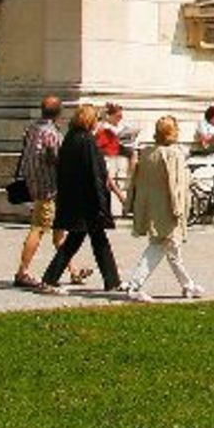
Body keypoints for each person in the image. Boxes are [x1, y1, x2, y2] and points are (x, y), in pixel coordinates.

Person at [38, 103, 122, 294]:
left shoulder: (71, 138)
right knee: (92, 241)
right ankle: (111, 281)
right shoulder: (87, 142)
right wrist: (101, 201)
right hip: (87, 200)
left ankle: (112, 280)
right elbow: (95, 173)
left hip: (74, 197)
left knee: (83, 240)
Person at [14, 95, 93, 289]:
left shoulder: (31, 128)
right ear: (59, 113)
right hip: (48, 187)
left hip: (35, 184)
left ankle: (72, 271)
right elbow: (57, 160)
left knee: (59, 233)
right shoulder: (51, 133)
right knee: (38, 228)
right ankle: (22, 272)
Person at [122, 116, 202, 302]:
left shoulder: (148, 153)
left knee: (172, 249)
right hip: (167, 208)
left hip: (152, 207)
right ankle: (135, 285)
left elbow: (136, 181)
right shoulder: (173, 154)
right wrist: (179, 209)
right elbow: (176, 186)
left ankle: (187, 285)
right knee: (159, 246)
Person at [97, 103, 134, 213]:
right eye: (118, 116)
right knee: (108, 175)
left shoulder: (119, 127)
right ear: (110, 116)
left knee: (134, 154)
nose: (120, 119)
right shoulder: (103, 127)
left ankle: (130, 181)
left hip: (118, 150)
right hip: (106, 155)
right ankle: (122, 198)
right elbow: (99, 146)